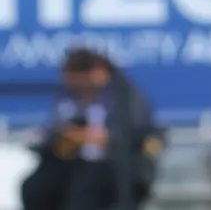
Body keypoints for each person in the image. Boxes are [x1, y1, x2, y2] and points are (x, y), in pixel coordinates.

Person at [21, 48, 163, 210]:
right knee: (36, 187)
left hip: (116, 171)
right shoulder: (69, 99)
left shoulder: (126, 98)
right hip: (74, 169)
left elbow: (133, 135)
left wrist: (86, 137)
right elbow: (57, 133)